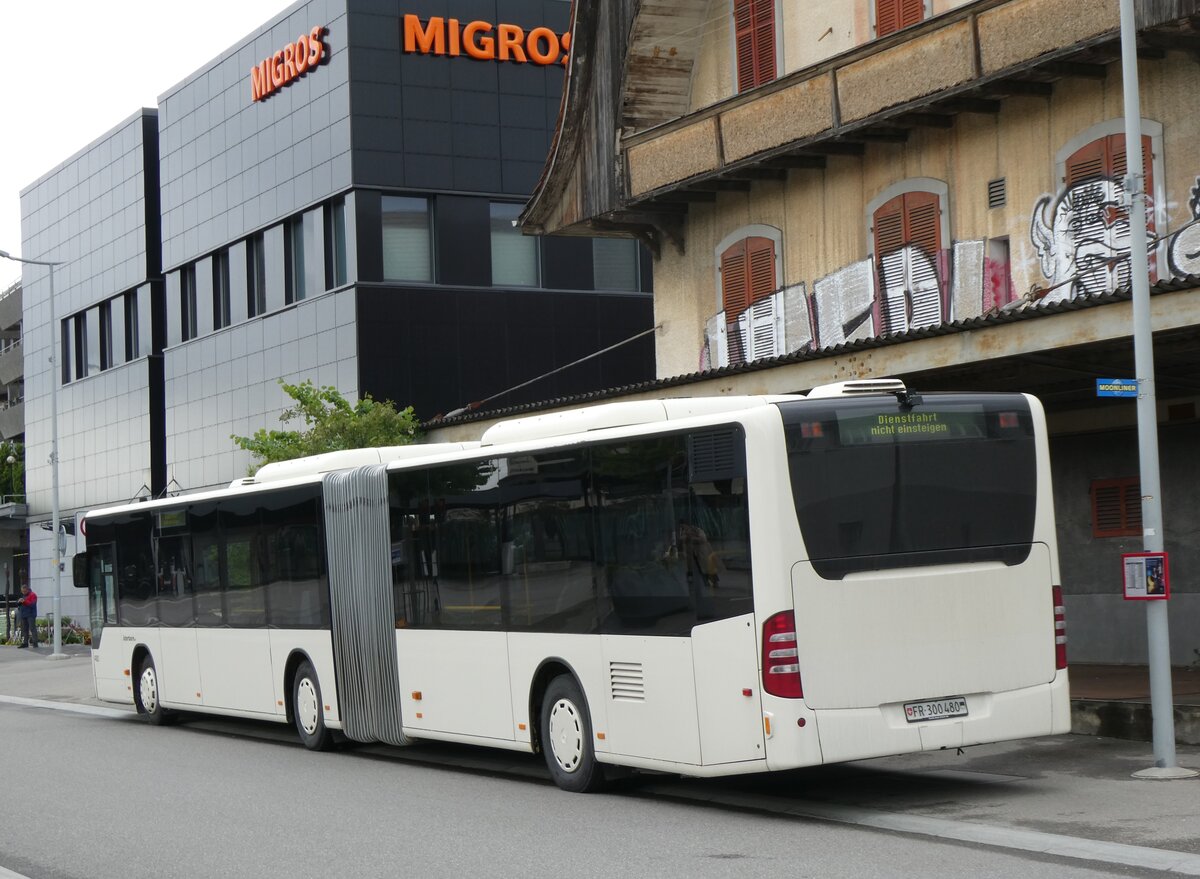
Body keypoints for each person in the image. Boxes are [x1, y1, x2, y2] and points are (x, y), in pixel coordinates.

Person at [14, 583, 37, 649]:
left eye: (24, 591)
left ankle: (35, 643)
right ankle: (25, 643)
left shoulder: (33, 595)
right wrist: (19, 602)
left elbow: (32, 605)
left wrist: (24, 601)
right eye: (22, 591)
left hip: (31, 614)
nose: (23, 592)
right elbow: (18, 603)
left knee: (32, 628)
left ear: (27, 589)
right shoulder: (22, 595)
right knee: (24, 629)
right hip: (23, 614)